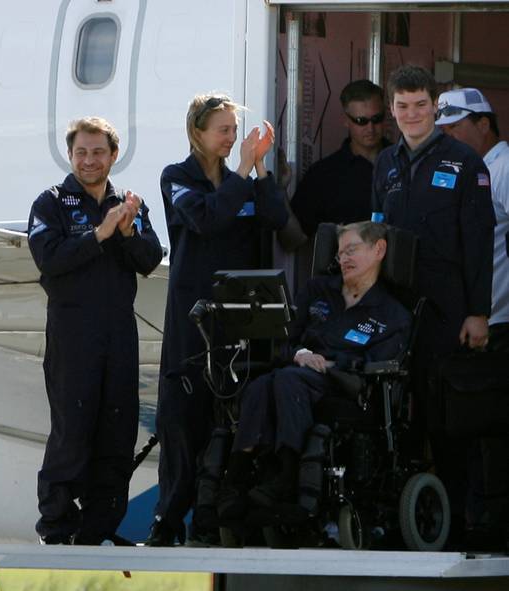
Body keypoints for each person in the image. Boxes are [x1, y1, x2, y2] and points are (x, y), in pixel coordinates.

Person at [147, 93, 288, 547]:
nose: (232, 138)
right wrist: (243, 172)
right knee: (182, 419)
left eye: (234, 130)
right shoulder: (177, 177)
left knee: (228, 419)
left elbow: (277, 218)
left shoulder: (240, 178)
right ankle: (168, 520)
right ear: (198, 133)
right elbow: (206, 219)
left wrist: (260, 169)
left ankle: (212, 521)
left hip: (239, 319)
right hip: (193, 318)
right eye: (223, 130)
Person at [371, 65, 496, 544]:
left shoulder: (465, 162)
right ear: (392, 109)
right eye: (402, 106)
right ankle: (401, 523)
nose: (412, 114)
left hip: (448, 309)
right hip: (394, 309)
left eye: (420, 105)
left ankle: (460, 524)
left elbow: (479, 243)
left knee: (448, 420)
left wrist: (478, 312)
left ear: (435, 107)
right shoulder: (386, 163)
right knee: (397, 417)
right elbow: (373, 233)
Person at [27, 116, 164, 545]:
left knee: (117, 433)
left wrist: (126, 232)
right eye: (81, 152)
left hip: (119, 332)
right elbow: (49, 259)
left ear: (113, 156)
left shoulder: (128, 204)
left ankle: (99, 529)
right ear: (70, 155)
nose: (89, 160)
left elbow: (150, 259)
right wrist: (99, 235)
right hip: (73, 332)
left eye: (98, 152)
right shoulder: (50, 203)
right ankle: (56, 527)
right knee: (72, 429)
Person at [216, 222, 411, 517]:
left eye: (352, 250)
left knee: (286, 382)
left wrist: (330, 364)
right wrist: (301, 354)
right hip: (297, 372)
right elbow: (283, 340)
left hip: (346, 385)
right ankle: (236, 479)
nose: (343, 259)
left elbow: (379, 363)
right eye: (340, 253)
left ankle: (287, 475)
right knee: (259, 385)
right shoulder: (317, 291)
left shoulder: (394, 314)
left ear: (379, 250)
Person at [436, 87, 509, 548]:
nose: (448, 136)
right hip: (475, 325)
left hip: (499, 323)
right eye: (443, 130)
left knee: (492, 429)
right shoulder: (468, 169)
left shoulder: (503, 166)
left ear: (484, 124)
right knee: (473, 428)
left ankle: (492, 523)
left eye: (456, 127)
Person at [292, 80, 390, 239]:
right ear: (346, 120)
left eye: (377, 119)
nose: (370, 128)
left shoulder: (405, 162)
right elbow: (295, 238)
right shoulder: (323, 175)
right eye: (361, 121)